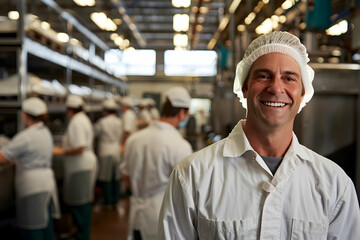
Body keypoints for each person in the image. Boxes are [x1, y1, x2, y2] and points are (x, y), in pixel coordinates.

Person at [158, 31, 360, 239]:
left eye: (289, 78)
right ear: (245, 87)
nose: (275, 88)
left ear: (302, 93)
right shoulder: (192, 175)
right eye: (263, 76)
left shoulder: (334, 184)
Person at [123, 87, 193, 240]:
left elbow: (126, 176)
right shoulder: (180, 145)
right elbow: (185, 191)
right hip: (162, 215)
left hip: (136, 214)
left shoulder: (134, 139)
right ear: (182, 113)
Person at [0, 97, 60, 240]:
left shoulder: (26, 136)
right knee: (45, 225)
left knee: (33, 228)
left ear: (25, 115)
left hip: (32, 188)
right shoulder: (44, 131)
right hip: (46, 184)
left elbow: (2, 158)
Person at [53, 94, 97, 240]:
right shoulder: (81, 119)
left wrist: (62, 151)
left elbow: (79, 147)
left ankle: (83, 235)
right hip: (81, 166)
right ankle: (81, 232)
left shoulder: (77, 122)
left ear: (70, 110)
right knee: (82, 200)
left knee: (81, 202)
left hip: (80, 166)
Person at [94, 98, 123, 208]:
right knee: (116, 176)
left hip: (105, 150)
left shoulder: (102, 122)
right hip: (116, 149)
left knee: (106, 177)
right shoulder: (119, 121)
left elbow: (94, 133)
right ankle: (115, 199)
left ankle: (107, 200)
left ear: (105, 110)